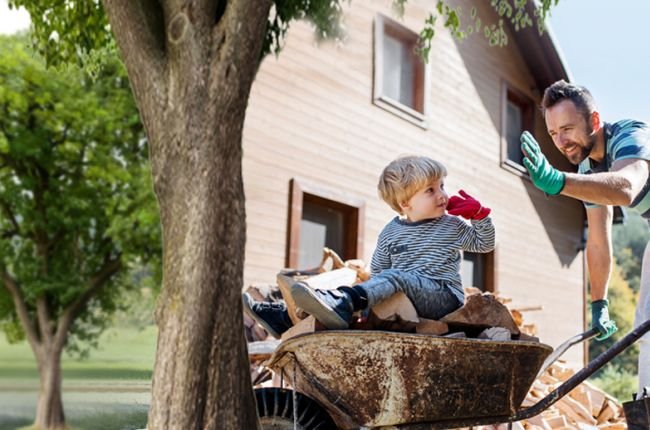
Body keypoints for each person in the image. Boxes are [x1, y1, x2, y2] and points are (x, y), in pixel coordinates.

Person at [520, 79, 650, 394]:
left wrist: (557, 180)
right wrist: (599, 303)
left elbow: (625, 186)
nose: (561, 142)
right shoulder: (590, 172)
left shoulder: (630, 136)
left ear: (594, 121)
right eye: (553, 134)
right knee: (645, 327)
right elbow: (598, 240)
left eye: (567, 128)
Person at [287, 155, 496, 330]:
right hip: (405, 300)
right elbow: (378, 272)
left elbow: (484, 244)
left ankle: (344, 303)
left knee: (395, 278)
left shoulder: (451, 225)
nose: (442, 194)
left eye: (441, 186)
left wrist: (479, 216)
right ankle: (287, 317)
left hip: (444, 297)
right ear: (405, 203)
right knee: (386, 281)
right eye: (430, 190)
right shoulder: (391, 232)